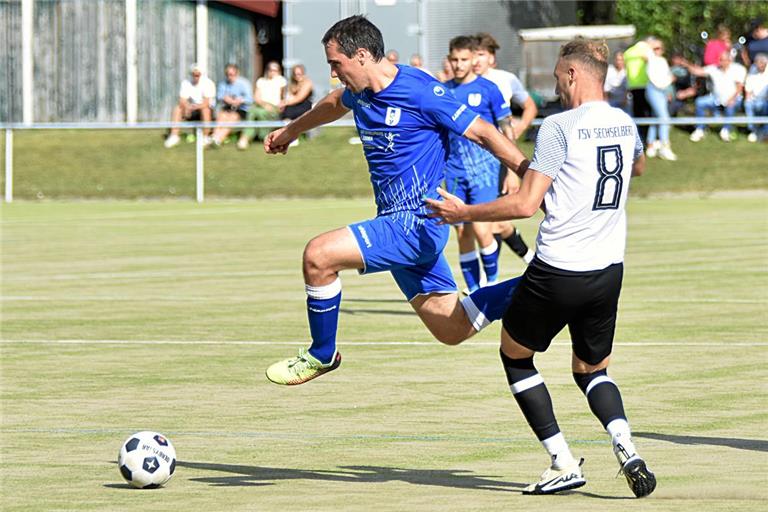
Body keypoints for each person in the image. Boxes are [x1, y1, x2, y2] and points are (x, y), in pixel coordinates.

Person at [426, 39, 655, 498]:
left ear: (572, 74)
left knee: (515, 356)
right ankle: (626, 446)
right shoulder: (624, 123)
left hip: (557, 269)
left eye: (556, 77)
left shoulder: (558, 125)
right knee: (591, 370)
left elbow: (526, 205)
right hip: (607, 271)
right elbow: (639, 168)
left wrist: (463, 214)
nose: (555, 86)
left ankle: (562, 461)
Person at [262, 15, 529, 386]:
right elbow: (334, 102)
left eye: (336, 64)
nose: (335, 73)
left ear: (360, 56)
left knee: (318, 256)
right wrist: (290, 131)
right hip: (396, 220)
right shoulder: (361, 91)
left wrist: (530, 175)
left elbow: (483, 132)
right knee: (452, 327)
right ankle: (543, 285)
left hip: (416, 222)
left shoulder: (421, 92)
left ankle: (322, 353)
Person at [442, 35, 514, 294]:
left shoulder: (488, 89)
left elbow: (506, 128)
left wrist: (511, 169)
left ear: (474, 59)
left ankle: (491, 285)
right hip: (454, 171)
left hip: (484, 171)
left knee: (484, 230)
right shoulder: (443, 91)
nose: (459, 64)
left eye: (464, 59)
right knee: (462, 234)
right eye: (455, 59)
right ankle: (474, 291)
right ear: (449, 59)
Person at [473, 32, 536, 265]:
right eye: (474, 54)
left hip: (499, 158)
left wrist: (519, 128)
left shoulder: (505, 79)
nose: (476, 60)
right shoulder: (466, 83)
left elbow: (529, 106)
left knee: (489, 220)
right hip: (474, 161)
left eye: (481, 54)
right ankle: (531, 260)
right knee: (494, 221)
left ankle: (486, 282)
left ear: (492, 58)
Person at [684, 50, 747, 142]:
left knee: (731, 105)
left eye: (724, 60)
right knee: (700, 102)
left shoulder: (738, 69)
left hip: (734, 98)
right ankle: (700, 129)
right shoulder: (714, 68)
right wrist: (686, 64)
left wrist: (731, 99)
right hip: (716, 98)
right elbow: (698, 71)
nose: (722, 62)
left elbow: (739, 88)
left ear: (730, 60)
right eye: (720, 60)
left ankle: (726, 130)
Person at [164, 63, 216, 149]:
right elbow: (182, 100)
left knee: (205, 110)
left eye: (198, 73)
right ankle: (174, 136)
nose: (196, 75)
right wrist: (187, 106)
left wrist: (195, 107)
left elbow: (207, 102)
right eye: (194, 73)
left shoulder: (208, 83)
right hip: (191, 110)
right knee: (178, 108)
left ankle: (205, 137)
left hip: (205, 110)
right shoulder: (186, 83)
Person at [645, 40, 677, 160]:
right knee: (664, 118)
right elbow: (657, 80)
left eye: (659, 48)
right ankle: (665, 146)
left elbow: (666, 77)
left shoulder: (663, 61)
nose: (656, 50)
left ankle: (651, 144)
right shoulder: (650, 60)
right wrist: (668, 81)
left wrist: (667, 90)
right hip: (653, 90)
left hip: (662, 91)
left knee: (656, 117)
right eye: (655, 48)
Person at [210, 63, 253, 150]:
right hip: (227, 107)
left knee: (232, 118)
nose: (230, 76)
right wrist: (226, 99)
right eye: (228, 74)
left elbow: (250, 99)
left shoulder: (244, 83)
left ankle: (218, 139)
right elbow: (219, 96)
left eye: (232, 74)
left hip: (241, 109)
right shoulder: (223, 83)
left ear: (237, 73)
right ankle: (214, 136)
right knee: (221, 116)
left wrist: (240, 100)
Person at [247, 61, 287, 143]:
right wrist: (264, 105)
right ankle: (251, 137)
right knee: (252, 111)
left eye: (275, 70)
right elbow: (256, 97)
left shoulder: (281, 80)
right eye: (270, 69)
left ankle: (256, 137)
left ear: (279, 71)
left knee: (258, 112)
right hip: (261, 105)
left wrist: (282, 106)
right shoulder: (261, 81)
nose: (272, 72)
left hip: (274, 107)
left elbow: (284, 97)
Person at [623, 37, 654, 140]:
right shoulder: (647, 49)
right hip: (646, 84)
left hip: (633, 85)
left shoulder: (628, 52)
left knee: (637, 113)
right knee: (648, 112)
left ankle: (639, 137)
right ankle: (647, 137)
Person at [744, 53, 768, 142]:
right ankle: (753, 130)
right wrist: (747, 98)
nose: (759, 66)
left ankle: (765, 131)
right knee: (748, 104)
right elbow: (748, 87)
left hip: (765, 100)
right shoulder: (753, 69)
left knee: (763, 105)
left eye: (761, 64)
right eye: (757, 63)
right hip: (754, 98)